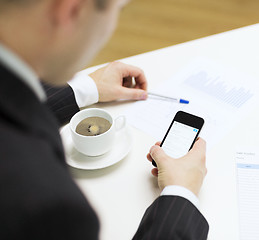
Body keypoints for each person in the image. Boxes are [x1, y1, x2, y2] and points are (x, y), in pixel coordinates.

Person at [0, 0, 209, 239]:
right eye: (118, 9)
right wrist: (180, 194)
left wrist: (87, 88)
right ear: (71, 10)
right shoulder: (51, 208)